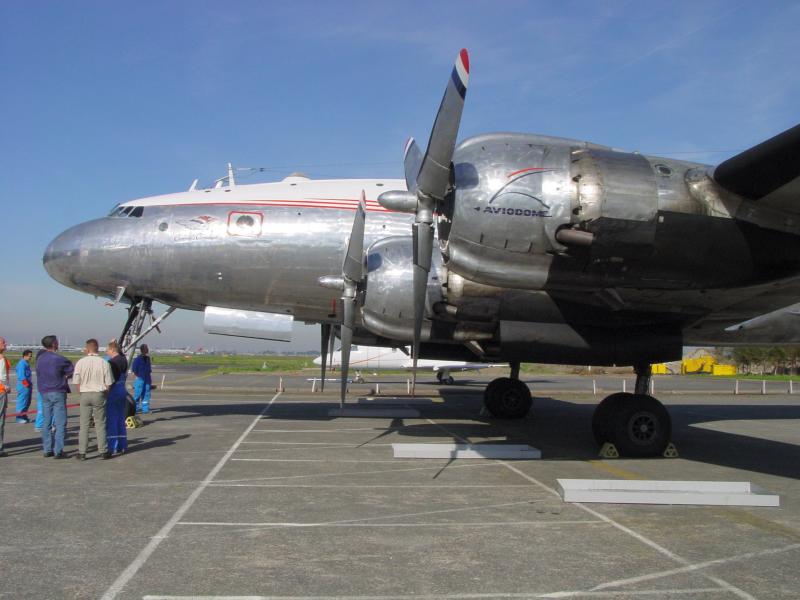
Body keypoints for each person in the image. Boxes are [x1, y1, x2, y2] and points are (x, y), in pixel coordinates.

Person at [72, 339, 113, 460]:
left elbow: (76, 382)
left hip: (85, 393)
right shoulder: (104, 362)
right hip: (99, 393)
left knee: (84, 424)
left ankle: (82, 452)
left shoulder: (80, 362)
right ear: (97, 348)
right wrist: (105, 393)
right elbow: (109, 383)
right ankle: (103, 451)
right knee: (100, 423)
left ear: (87, 348)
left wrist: (81, 391)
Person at [36, 335, 74, 458]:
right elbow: (71, 371)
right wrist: (64, 376)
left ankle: (47, 449)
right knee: (60, 422)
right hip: (57, 390)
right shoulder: (59, 359)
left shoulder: (40, 359)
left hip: (44, 392)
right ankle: (58, 450)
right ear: (53, 344)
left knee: (46, 421)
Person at [105, 340, 129, 455]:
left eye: (108, 350)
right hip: (122, 390)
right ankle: (122, 445)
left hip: (113, 392)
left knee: (112, 420)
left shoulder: (112, 363)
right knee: (120, 418)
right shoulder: (124, 360)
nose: (106, 352)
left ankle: (112, 446)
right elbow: (122, 354)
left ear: (113, 350)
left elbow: (110, 381)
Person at [132, 344, 152, 414]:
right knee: (137, 394)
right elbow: (134, 369)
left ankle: (145, 409)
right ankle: (134, 409)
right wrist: (137, 376)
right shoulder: (137, 359)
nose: (147, 350)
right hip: (140, 379)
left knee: (146, 394)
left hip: (147, 379)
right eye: (146, 348)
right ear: (143, 350)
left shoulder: (148, 358)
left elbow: (149, 369)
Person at [15, 350, 33, 423]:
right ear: (25, 356)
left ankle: (24, 416)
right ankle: (19, 417)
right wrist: (26, 384)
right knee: (22, 402)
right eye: (30, 356)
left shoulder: (26, 363)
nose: (30, 357)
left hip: (27, 385)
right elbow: (21, 376)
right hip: (23, 386)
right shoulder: (22, 364)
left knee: (27, 402)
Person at [0, 336, 9, 457]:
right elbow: (2, 377)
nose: (5, 344)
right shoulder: (2, 359)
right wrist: (6, 387)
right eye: (2, 342)